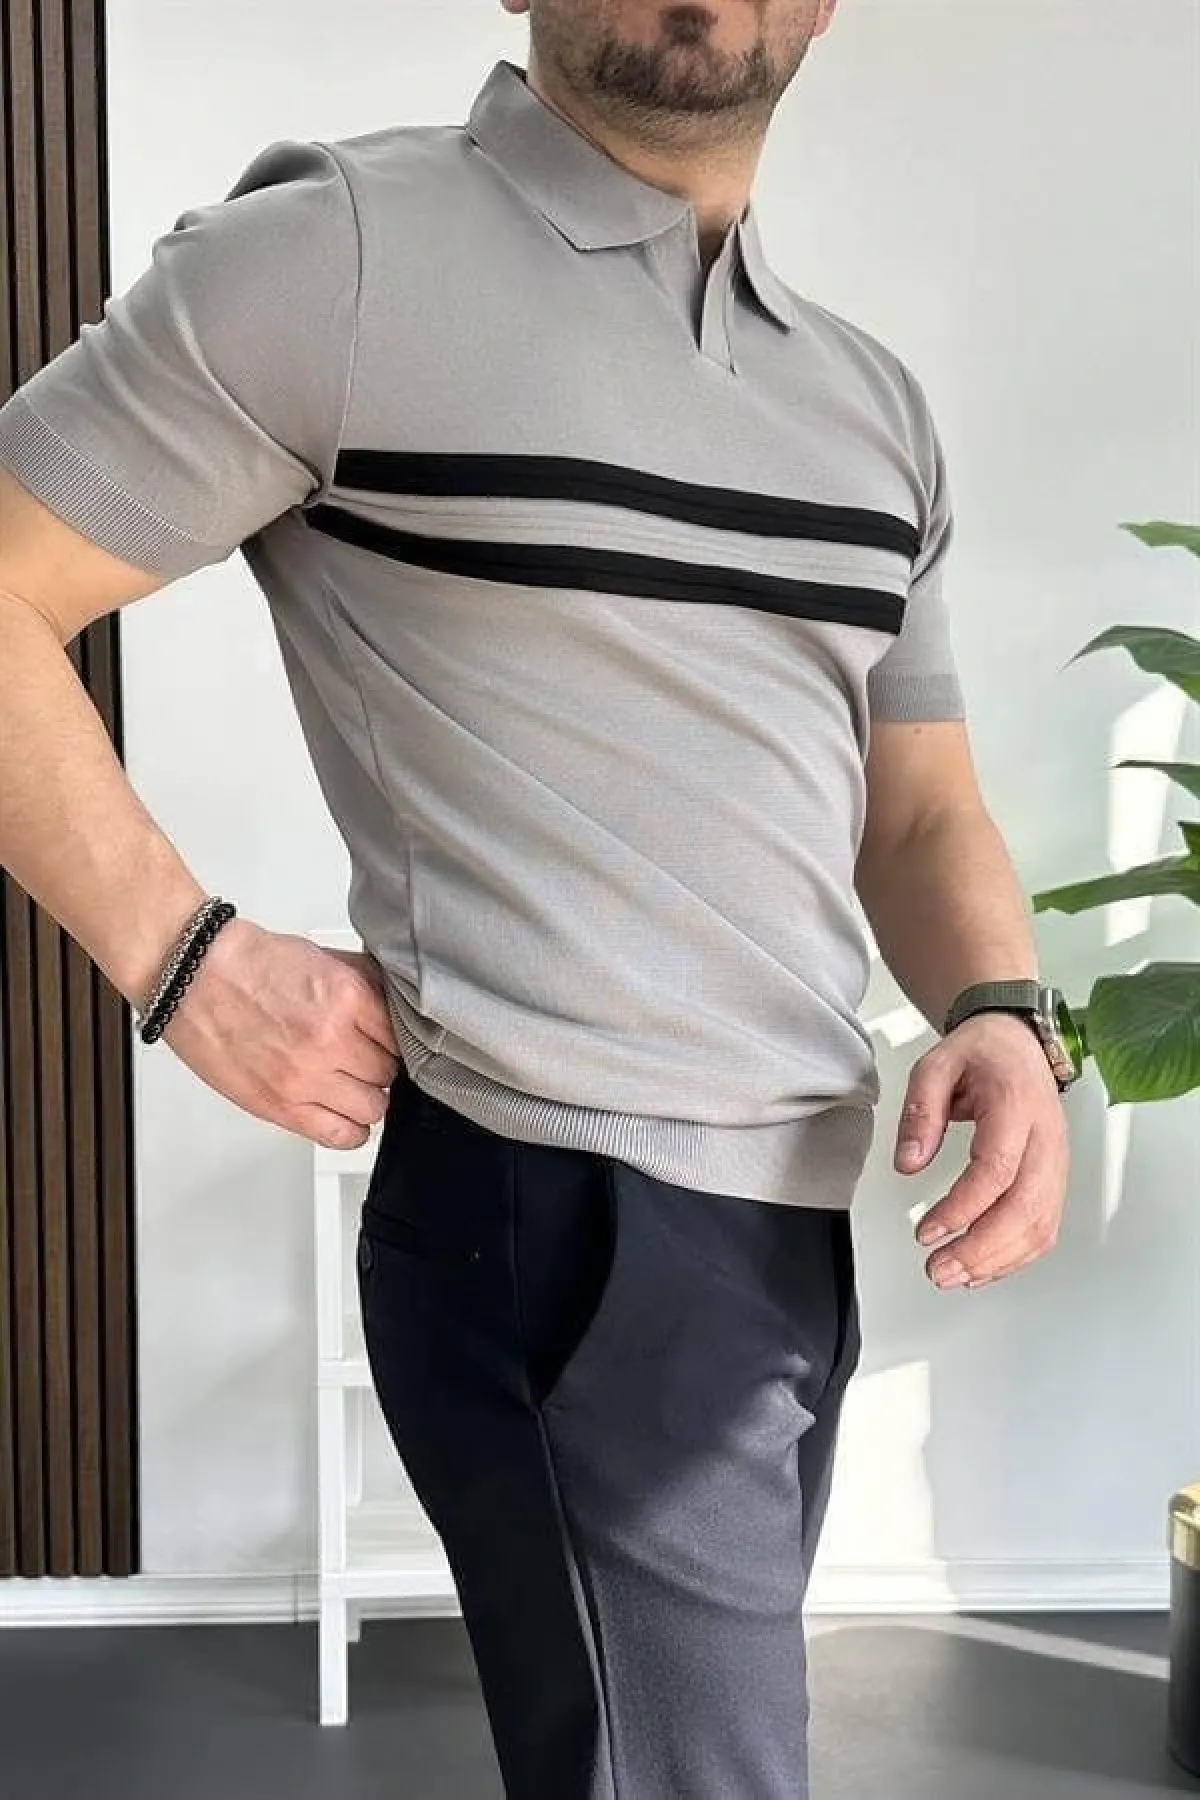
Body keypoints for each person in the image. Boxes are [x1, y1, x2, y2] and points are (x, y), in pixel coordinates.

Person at [0, 3, 1076, 1794]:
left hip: (790, 1212)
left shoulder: (869, 405)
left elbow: (920, 810)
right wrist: (182, 960)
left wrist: (1002, 1010)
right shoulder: (335, 259)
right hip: (564, 1199)